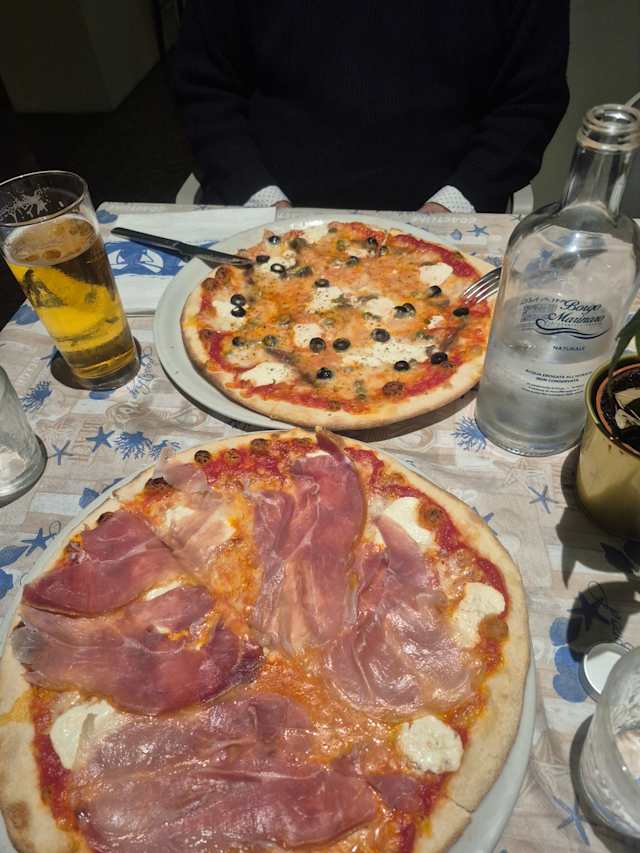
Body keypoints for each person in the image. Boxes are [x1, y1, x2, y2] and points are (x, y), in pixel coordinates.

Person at [174, 1, 569, 213]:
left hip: (448, 212)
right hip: (267, 206)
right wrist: (265, 203)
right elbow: (204, 91)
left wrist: (450, 208)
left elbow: (530, 104)